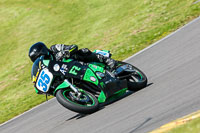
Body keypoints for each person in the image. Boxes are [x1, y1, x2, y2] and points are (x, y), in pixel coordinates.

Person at [28, 42, 116, 70]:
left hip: (75, 62)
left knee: (82, 51)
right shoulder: (44, 67)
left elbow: (73, 47)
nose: (40, 59)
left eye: (40, 56)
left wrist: (65, 52)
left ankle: (106, 60)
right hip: (69, 72)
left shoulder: (55, 48)